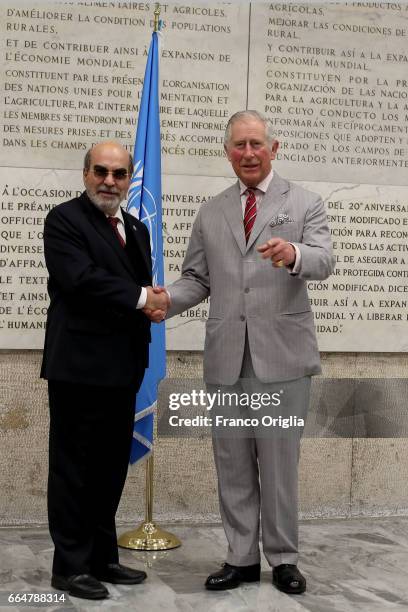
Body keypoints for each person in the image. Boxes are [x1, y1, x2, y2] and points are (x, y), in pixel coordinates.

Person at [166, 111, 334, 593]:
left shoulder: (305, 202)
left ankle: (282, 558)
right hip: (226, 357)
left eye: (256, 143)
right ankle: (240, 558)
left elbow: (323, 260)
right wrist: (162, 302)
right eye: (238, 145)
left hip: (281, 358)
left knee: (280, 465)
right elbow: (197, 278)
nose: (248, 153)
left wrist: (294, 254)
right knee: (233, 462)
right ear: (227, 153)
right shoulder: (212, 211)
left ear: (273, 148)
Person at [41, 141, 169, 600]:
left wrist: (150, 306)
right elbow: (81, 280)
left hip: (123, 366)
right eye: (101, 171)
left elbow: (134, 288)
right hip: (77, 367)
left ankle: (102, 557)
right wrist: (142, 299)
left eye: (119, 174)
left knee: (110, 467)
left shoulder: (135, 228)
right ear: (85, 174)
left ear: (129, 179)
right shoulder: (64, 220)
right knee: (74, 468)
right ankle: (70, 565)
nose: (109, 181)